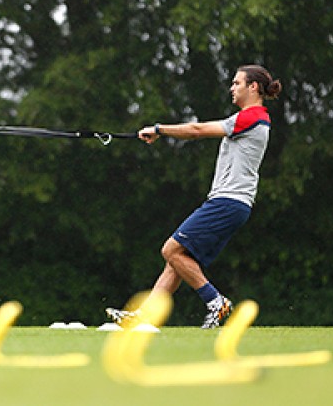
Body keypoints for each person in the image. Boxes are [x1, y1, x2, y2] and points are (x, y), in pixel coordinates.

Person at [107, 65, 281, 328]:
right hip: (231, 203)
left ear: (252, 87)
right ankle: (146, 317)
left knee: (171, 249)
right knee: (177, 261)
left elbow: (197, 131)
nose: (231, 88)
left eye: (236, 83)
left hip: (228, 201)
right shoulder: (252, 118)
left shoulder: (252, 116)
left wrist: (159, 129)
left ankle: (216, 302)